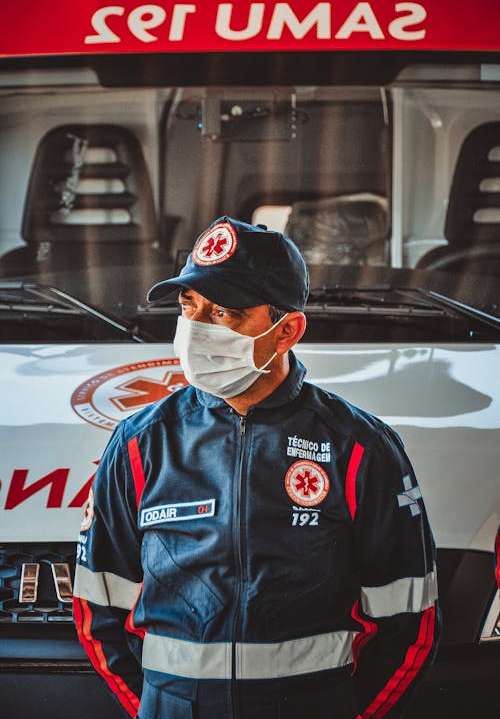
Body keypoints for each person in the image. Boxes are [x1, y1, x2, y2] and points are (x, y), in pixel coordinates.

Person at [73, 216, 440, 719]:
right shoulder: (140, 443)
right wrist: (160, 708)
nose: (195, 328)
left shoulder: (359, 448)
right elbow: (98, 605)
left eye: (222, 312)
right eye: (189, 305)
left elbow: (409, 623)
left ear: (286, 330)